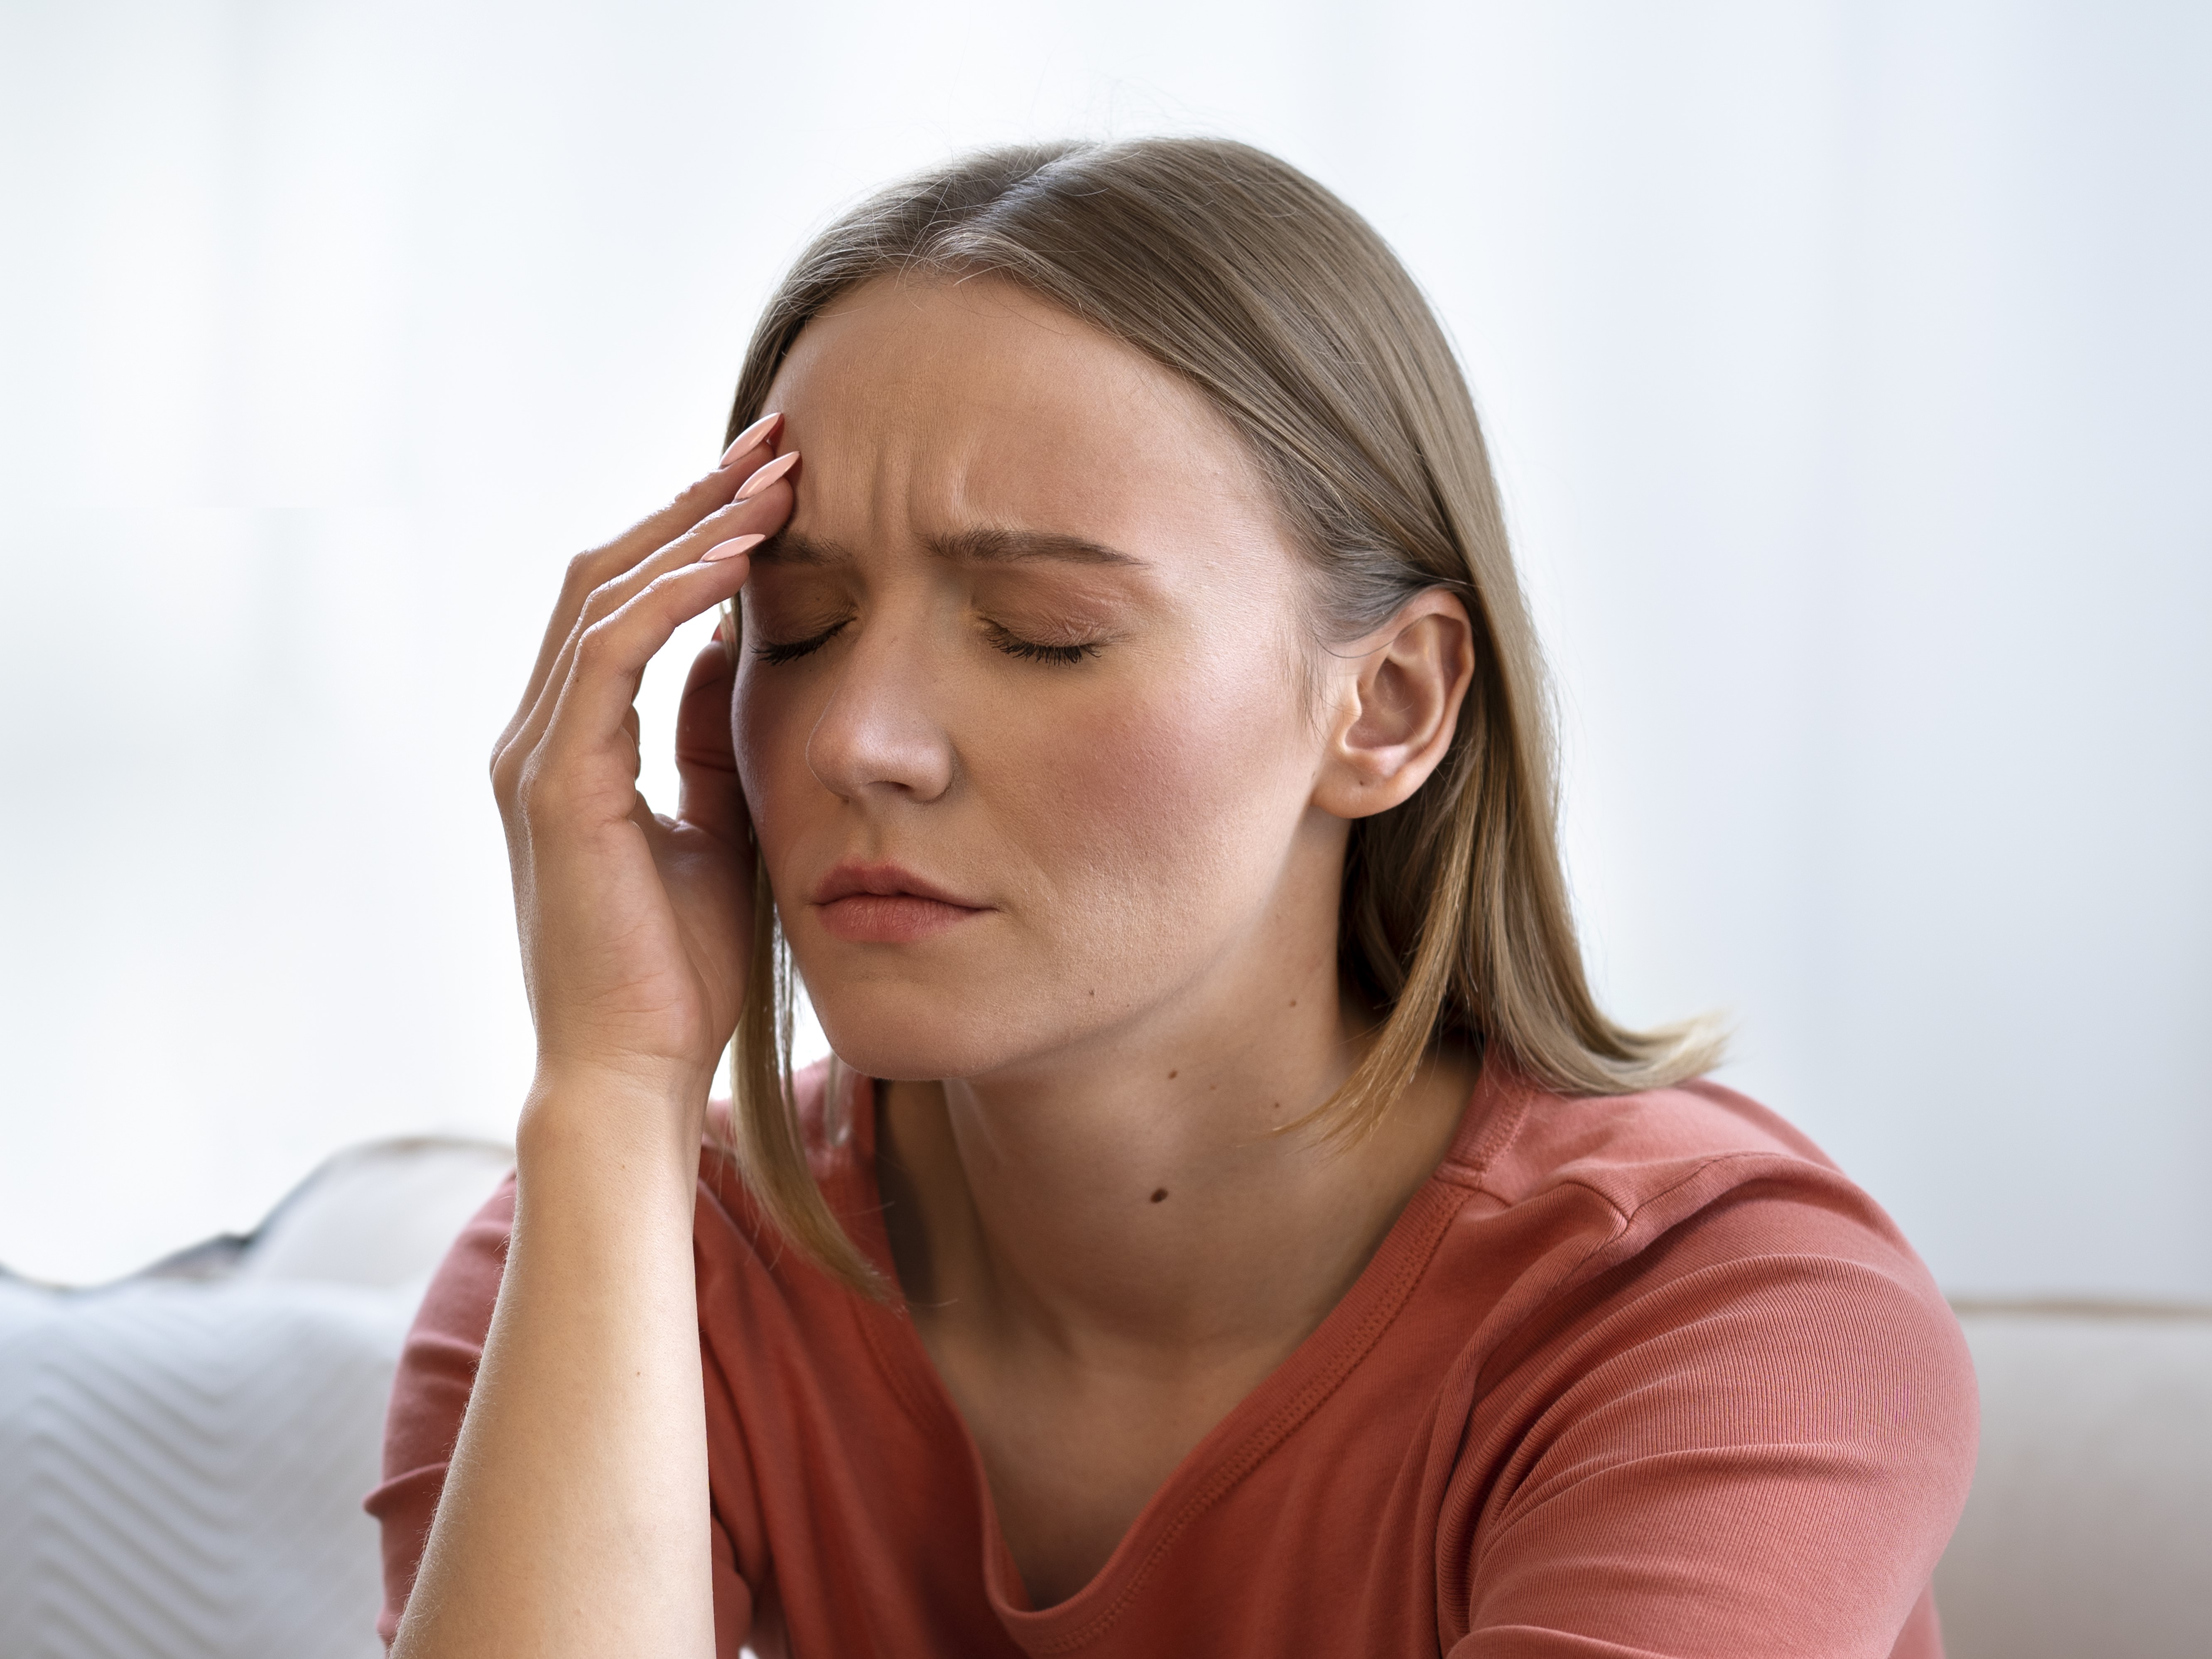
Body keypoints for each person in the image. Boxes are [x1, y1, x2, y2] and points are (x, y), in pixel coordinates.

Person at [367, 138, 1977, 1658]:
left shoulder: (1731, 1316)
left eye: (1044, 630)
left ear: (1392, 705)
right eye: (796, 628)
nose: (858, 741)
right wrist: (617, 1089)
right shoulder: (622, 1248)